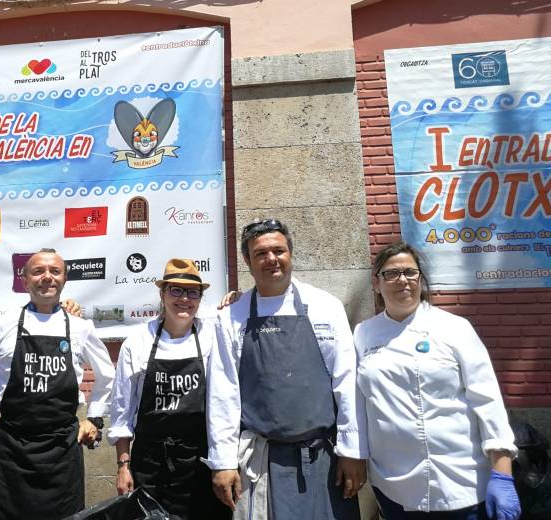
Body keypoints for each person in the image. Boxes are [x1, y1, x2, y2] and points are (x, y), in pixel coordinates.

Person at [208, 218, 367, 520]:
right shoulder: (231, 318)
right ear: (247, 261)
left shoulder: (325, 306)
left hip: (325, 460)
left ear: (290, 253)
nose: (271, 260)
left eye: (278, 251)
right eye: (261, 254)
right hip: (262, 461)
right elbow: (223, 393)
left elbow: (347, 381)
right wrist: (223, 462)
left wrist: (353, 451)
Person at [353, 241, 521, 520]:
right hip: (394, 486)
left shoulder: (454, 328)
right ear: (377, 283)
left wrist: (502, 473)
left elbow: (487, 399)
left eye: (410, 272)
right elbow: (358, 404)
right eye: (391, 274)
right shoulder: (363, 334)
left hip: (462, 482)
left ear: (421, 278)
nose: (402, 280)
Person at [0, 248, 115, 520]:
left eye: (55, 271)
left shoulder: (80, 328)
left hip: (62, 446)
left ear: (64, 279)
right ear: (25, 279)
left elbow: (107, 374)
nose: (47, 278)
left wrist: (95, 419)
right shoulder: (2, 324)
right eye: (38, 271)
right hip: (11, 447)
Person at [109, 258, 231, 520]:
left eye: (192, 292)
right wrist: (123, 465)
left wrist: (236, 298)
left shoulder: (213, 336)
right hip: (150, 465)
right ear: (162, 294)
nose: (184, 299)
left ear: (200, 298)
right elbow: (122, 411)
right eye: (175, 290)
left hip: (200, 463)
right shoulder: (137, 342)